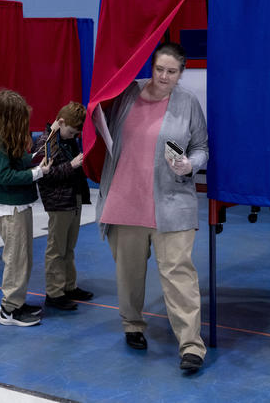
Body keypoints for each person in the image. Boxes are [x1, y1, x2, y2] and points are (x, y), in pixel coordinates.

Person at [95, 42, 208, 372]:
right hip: (125, 200)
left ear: (181, 73)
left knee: (179, 273)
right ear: (152, 67)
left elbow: (202, 147)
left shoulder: (188, 103)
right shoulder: (128, 93)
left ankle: (191, 345)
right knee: (128, 273)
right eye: (159, 69)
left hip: (171, 203)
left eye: (171, 72)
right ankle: (132, 324)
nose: (164, 76)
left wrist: (191, 164)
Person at [0, 89, 51, 327]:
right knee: (16, 259)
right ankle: (9, 309)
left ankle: (17, 302)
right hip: (11, 209)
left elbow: (17, 164)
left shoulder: (8, 138)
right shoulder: (0, 139)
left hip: (20, 206)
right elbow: (4, 176)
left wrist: (35, 159)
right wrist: (37, 172)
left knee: (23, 258)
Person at [33, 101, 92, 311]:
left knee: (69, 247)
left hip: (73, 197)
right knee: (56, 249)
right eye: (71, 131)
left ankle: (69, 285)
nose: (73, 136)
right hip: (58, 202)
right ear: (61, 122)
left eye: (77, 134)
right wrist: (72, 165)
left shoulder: (69, 141)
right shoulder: (45, 142)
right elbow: (44, 177)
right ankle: (54, 292)